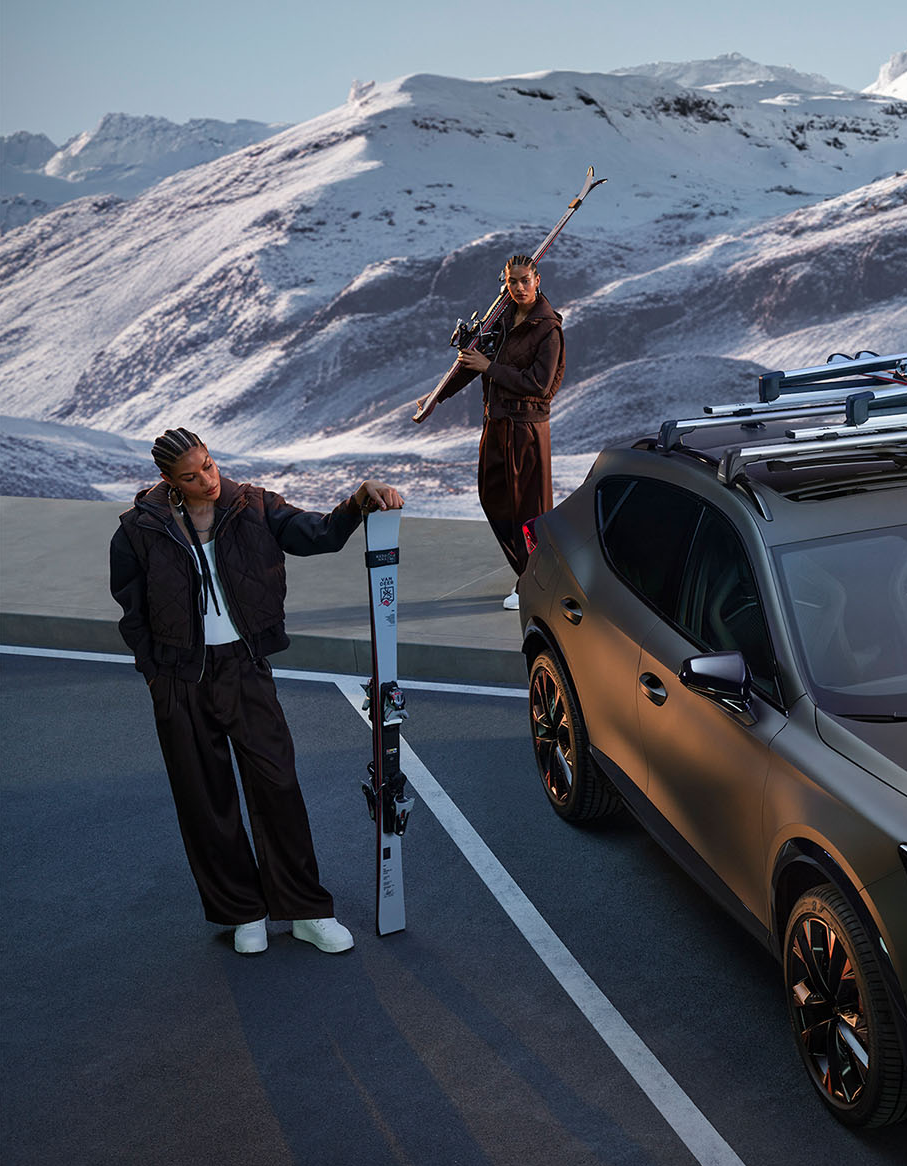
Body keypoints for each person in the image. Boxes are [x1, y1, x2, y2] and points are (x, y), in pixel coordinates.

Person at [108, 429, 405, 955]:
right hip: (180, 680)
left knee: (278, 788)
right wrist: (157, 677)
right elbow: (132, 614)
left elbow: (320, 535)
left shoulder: (254, 506)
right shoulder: (138, 531)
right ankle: (243, 912)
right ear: (166, 481)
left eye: (209, 464)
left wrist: (360, 499)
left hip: (245, 670)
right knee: (206, 800)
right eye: (191, 475)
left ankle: (306, 910)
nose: (207, 479)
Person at [418, 253, 565, 610]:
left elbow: (540, 384)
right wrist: (440, 395)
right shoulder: (500, 320)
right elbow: (473, 362)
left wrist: (490, 367)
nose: (518, 287)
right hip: (496, 422)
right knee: (493, 497)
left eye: (524, 280)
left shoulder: (548, 328)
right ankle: (529, 573)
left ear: (537, 280)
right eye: (512, 281)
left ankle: (531, 582)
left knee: (529, 511)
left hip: (527, 427)